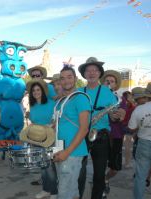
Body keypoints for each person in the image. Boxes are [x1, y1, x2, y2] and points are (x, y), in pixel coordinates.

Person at [78, 57, 118, 199]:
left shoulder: (108, 92)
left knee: (99, 174)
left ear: (100, 73)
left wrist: (117, 115)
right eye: (88, 70)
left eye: (95, 70)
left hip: (101, 137)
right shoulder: (79, 91)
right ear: (84, 74)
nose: (92, 73)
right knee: (78, 171)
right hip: (81, 136)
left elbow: (114, 116)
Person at [52, 65, 91, 199]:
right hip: (58, 148)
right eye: (62, 78)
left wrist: (67, 152)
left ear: (75, 78)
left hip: (72, 151)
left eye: (69, 77)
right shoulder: (61, 100)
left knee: (64, 191)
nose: (66, 81)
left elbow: (84, 128)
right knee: (71, 188)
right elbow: (57, 125)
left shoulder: (80, 98)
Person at [20, 79, 57, 199]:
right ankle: (46, 189)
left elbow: (56, 119)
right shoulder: (33, 105)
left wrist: (50, 125)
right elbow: (35, 121)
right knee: (42, 165)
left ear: (43, 91)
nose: (36, 92)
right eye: (34, 90)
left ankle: (54, 192)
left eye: (38, 90)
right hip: (37, 138)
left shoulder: (52, 103)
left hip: (49, 137)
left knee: (50, 166)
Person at [100, 70, 126, 195]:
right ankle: (100, 184)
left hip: (116, 136)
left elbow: (122, 116)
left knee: (115, 168)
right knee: (100, 164)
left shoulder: (120, 99)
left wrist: (118, 116)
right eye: (107, 81)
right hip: (101, 135)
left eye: (112, 81)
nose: (109, 83)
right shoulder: (98, 97)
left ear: (116, 84)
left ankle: (105, 179)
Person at [128, 82, 151, 198]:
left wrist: (142, 126)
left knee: (140, 177)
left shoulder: (140, 109)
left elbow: (131, 128)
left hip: (143, 143)